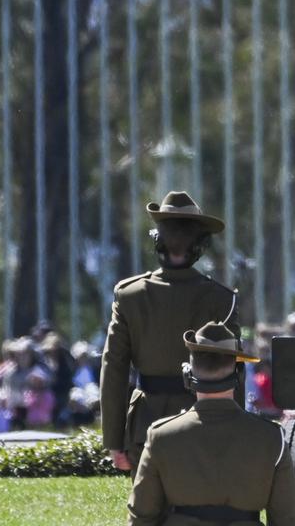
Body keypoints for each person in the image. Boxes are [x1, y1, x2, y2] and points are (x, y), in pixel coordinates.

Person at [101, 191, 241, 475]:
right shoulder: (221, 299)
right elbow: (234, 372)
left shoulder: (130, 295)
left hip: (146, 426)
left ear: (157, 241)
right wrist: (235, 432)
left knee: (148, 514)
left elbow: (114, 368)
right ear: (201, 246)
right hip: (205, 424)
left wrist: (114, 440)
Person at [128, 321, 295, 526]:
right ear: (239, 374)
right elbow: (287, 521)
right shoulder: (272, 438)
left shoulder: (160, 436)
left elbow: (141, 518)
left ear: (188, 375)